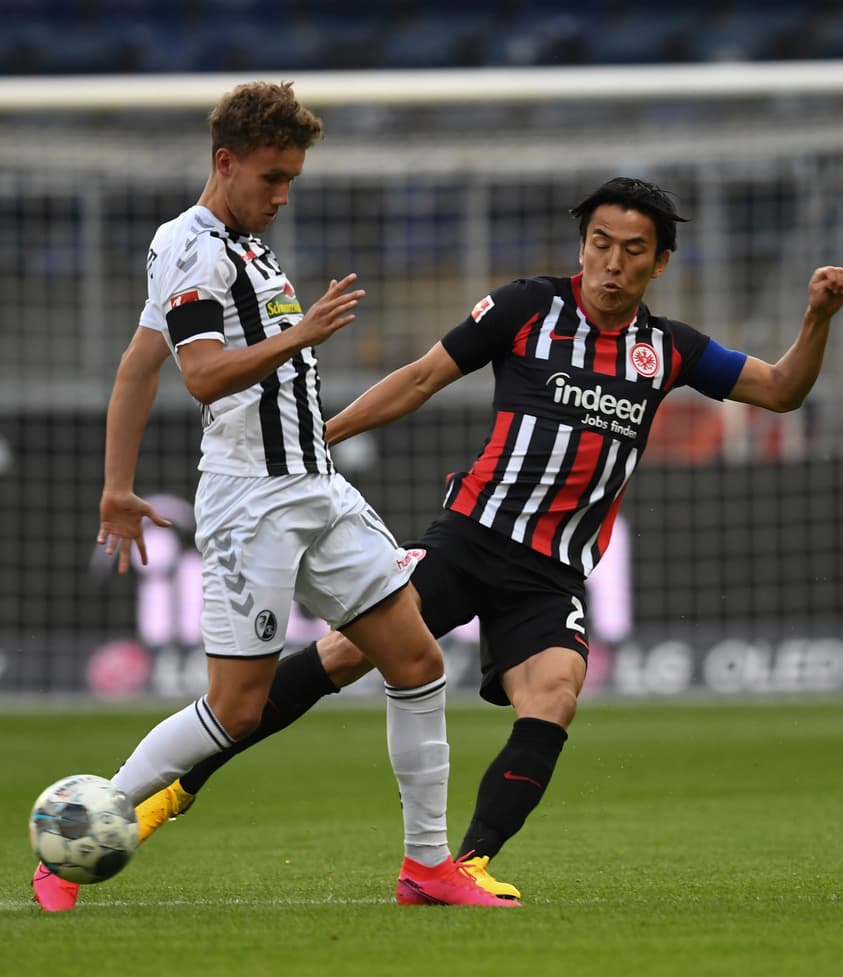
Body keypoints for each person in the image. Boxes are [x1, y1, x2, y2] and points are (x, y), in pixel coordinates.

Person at [125, 176, 843, 901]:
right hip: (471, 538)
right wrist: (325, 435)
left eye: (633, 250)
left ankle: (463, 863)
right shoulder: (527, 306)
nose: (613, 263)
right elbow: (419, 379)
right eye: (600, 243)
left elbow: (782, 389)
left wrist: (816, 317)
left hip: (553, 573)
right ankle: (178, 786)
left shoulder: (670, 349)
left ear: (659, 263)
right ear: (583, 245)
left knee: (556, 694)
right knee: (346, 652)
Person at [32, 81, 510, 911]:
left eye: (292, 178)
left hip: (316, 488)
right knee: (238, 708)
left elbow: (136, 362)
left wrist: (117, 486)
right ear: (226, 163)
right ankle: (79, 830)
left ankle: (427, 866)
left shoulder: (245, 244)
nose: (284, 195)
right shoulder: (191, 247)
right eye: (272, 178)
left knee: (416, 659)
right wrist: (304, 331)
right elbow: (196, 374)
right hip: (250, 502)